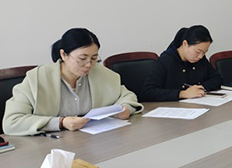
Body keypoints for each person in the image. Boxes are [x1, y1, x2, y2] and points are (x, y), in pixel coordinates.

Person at [3, 28, 143, 136]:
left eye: (94, 58)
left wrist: (126, 108)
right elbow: (12, 121)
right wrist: (60, 122)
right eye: (82, 58)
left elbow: (127, 96)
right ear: (63, 55)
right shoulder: (37, 78)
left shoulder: (101, 74)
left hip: (94, 142)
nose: (88, 64)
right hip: (48, 147)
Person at [141, 25, 223, 102]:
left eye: (204, 52)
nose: (200, 56)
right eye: (198, 52)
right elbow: (147, 92)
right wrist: (182, 94)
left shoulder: (200, 59)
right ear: (185, 44)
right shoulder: (166, 60)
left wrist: (199, 88)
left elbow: (217, 78)